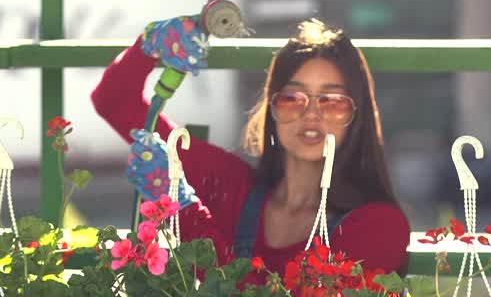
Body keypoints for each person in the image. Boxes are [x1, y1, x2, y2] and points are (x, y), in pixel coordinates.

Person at [91, 17, 410, 275]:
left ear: (356, 115)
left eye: (332, 101)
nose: (311, 114)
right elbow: (114, 101)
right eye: (292, 98)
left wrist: (182, 209)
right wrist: (150, 45)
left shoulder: (379, 226)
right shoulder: (230, 187)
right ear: (272, 109)